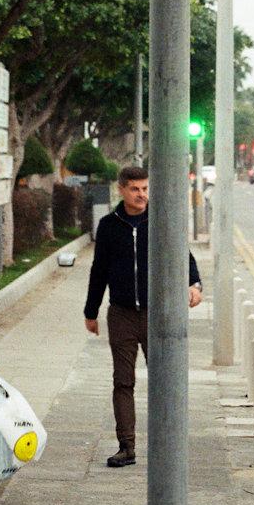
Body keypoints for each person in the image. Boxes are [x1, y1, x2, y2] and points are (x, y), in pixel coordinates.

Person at [84, 165, 202, 469]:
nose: (142, 195)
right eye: (135, 189)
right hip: (121, 314)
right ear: (121, 189)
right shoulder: (108, 225)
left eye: (146, 188)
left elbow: (183, 255)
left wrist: (194, 283)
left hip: (157, 314)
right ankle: (126, 447)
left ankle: (169, 443)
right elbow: (99, 270)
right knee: (123, 382)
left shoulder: (160, 221)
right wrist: (91, 311)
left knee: (164, 380)